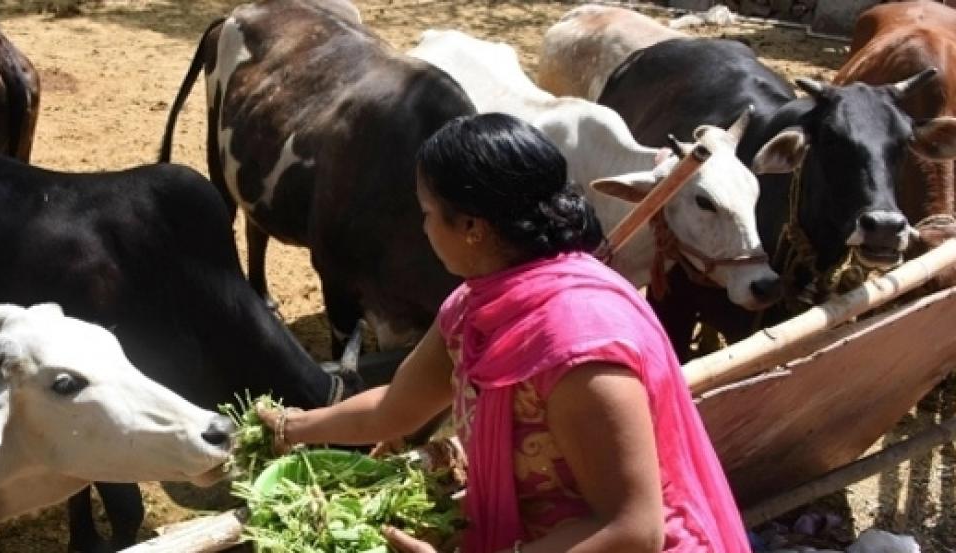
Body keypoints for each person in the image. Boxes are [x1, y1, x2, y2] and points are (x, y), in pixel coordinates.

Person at [259, 113, 750, 553]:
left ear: (471, 226)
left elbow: (632, 530)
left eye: (428, 212)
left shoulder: (579, 347)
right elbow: (395, 410)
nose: (424, 227)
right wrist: (291, 428)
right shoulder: (475, 306)